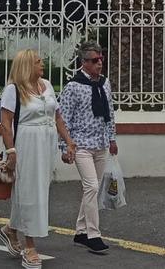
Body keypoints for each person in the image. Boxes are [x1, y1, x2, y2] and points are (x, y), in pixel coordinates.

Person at [0, 49, 77, 268]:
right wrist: (11, 152)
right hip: (26, 142)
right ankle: (30, 246)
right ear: (26, 66)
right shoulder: (13, 90)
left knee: (37, 189)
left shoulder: (47, 84)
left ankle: (11, 229)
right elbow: (5, 124)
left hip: (47, 141)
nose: (42, 64)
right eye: (38, 62)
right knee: (29, 191)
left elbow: (57, 116)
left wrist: (68, 141)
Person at [58, 44, 117, 255]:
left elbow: (109, 112)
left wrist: (112, 138)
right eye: (94, 60)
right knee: (91, 186)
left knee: (93, 189)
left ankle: (81, 232)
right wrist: (65, 147)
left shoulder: (105, 83)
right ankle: (94, 234)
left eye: (101, 59)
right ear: (84, 63)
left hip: (100, 144)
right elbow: (62, 119)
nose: (99, 63)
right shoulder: (73, 86)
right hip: (81, 145)